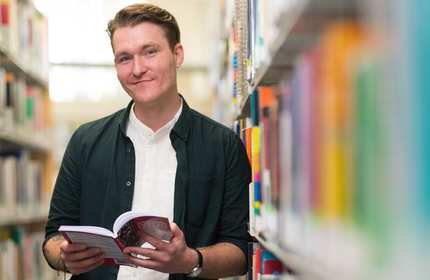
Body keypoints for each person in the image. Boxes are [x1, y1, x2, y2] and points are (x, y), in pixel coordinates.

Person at [42, 3, 251, 280]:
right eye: (124, 58)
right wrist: (64, 256)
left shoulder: (223, 145)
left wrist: (191, 260)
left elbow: (240, 251)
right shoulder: (85, 141)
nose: (137, 69)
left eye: (150, 52)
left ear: (177, 54)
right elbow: (53, 238)